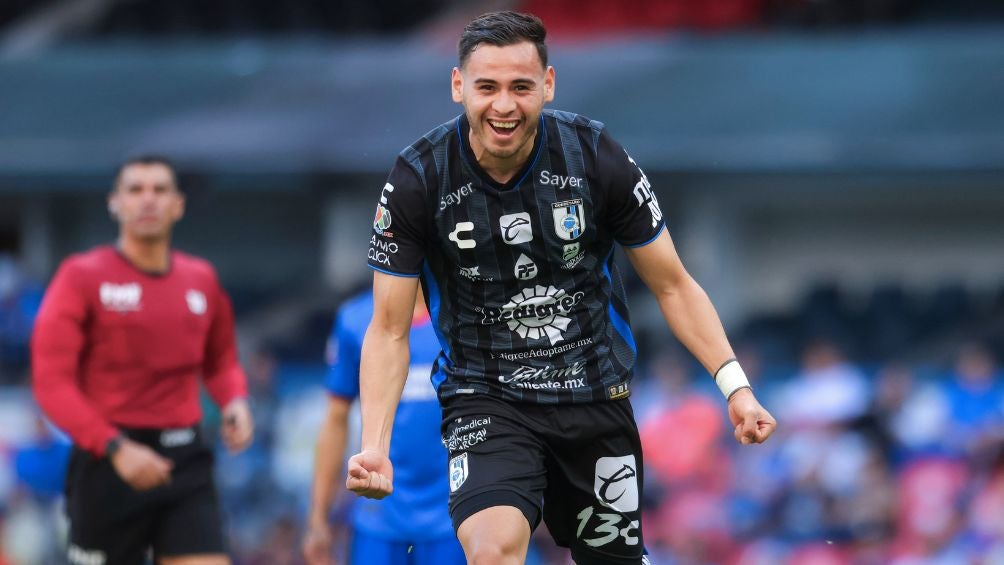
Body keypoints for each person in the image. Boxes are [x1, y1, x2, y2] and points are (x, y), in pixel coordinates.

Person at [347, 10, 777, 565]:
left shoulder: (596, 157)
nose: (504, 105)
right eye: (487, 87)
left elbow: (673, 285)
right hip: (486, 397)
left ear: (547, 85)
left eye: (521, 87)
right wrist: (374, 447)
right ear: (458, 87)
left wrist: (736, 388)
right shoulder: (418, 178)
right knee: (493, 551)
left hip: (594, 397)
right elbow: (387, 329)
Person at [30, 155, 254, 565]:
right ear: (114, 203)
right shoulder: (81, 277)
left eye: (159, 190)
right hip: (106, 462)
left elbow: (220, 360)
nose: (147, 200)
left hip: (184, 460)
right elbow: (50, 383)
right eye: (135, 190)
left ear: (178, 205)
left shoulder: (201, 278)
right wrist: (115, 448)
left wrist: (235, 401)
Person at [302, 289, 465, 565]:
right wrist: (318, 519)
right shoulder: (355, 320)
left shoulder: (466, 316)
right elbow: (335, 421)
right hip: (378, 518)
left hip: (454, 518)